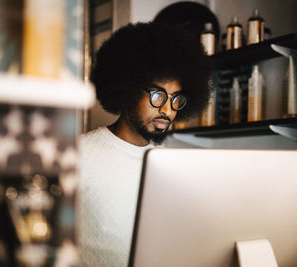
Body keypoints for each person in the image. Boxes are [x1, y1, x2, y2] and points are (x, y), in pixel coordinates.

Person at [78, 22, 212, 266]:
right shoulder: (79, 154)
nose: (167, 109)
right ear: (127, 89)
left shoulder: (170, 164)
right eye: (157, 95)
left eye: (175, 99)